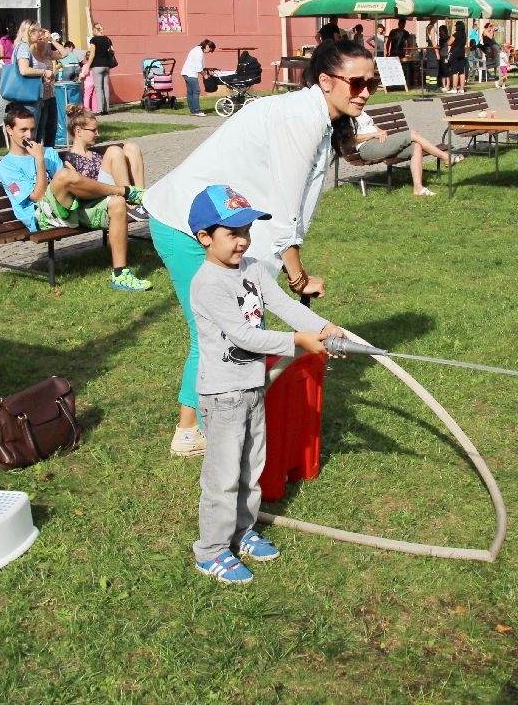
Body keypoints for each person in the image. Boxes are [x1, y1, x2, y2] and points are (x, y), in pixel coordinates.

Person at [143, 39, 373, 456]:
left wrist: (299, 292)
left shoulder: (319, 116)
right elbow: (285, 211)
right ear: (325, 81)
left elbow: (294, 209)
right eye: (356, 83)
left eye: (370, 84)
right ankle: (190, 429)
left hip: (231, 227)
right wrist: (298, 274)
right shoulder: (300, 119)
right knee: (216, 329)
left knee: (250, 321)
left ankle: (239, 417)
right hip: (187, 223)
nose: (365, 92)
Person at [186, 184, 343, 585]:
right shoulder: (207, 283)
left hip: (253, 386)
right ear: (205, 237)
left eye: (247, 231)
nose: (242, 241)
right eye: (232, 233)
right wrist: (297, 341)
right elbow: (244, 336)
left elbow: (285, 305)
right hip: (223, 394)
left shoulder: (252, 268)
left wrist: (322, 327)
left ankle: (241, 530)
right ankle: (212, 550)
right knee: (223, 476)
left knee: (252, 465)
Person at [0, 106, 152, 291]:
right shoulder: (7, 166)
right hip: (42, 217)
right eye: (23, 130)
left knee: (117, 204)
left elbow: (72, 183)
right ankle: (124, 191)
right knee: (63, 175)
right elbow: (37, 197)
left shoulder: (49, 152)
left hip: (68, 206)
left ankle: (120, 275)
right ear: (9, 130)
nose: (29, 135)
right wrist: (39, 161)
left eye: (32, 129)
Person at [341, 109, 464, 197]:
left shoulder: (361, 111)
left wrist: (381, 131)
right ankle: (445, 157)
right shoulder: (346, 114)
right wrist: (375, 134)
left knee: (416, 146)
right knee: (413, 134)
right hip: (367, 147)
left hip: (379, 143)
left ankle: (418, 188)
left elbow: (372, 126)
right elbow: (352, 139)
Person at [61, 105, 145, 188]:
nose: (98, 134)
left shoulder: (95, 153)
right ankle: (129, 195)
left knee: (131, 147)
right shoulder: (69, 160)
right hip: (97, 193)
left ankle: (142, 196)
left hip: (110, 185)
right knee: (114, 151)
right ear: (78, 131)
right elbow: (76, 187)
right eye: (93, 130)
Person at [31, 29, 69, 147]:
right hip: (38, 95)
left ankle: (50, 152)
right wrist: (43, 74)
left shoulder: (47, 54)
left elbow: (64, 53)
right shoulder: (31, 54)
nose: (43, 42)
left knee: (51, 127)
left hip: (50, 94)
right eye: (40, 39)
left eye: (45, 39)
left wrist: (52, 39)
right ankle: (36, 154)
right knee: (39, 127)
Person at [182, 39, 216, 117]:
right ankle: (197, 111)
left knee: (190, 92)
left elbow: (202, 65)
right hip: (190, 74)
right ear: (207, 46)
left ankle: (193, 111)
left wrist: (208, 70)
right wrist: (205, 75)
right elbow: (199, 68)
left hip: (186, 73)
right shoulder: (198, 52)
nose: (210, 52)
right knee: (196, 91)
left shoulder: (198, 50)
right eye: (210, 50)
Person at [86, 22, 114, 114]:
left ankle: (100, 109)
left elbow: (92, 54)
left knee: (98, 88)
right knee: (106, 87)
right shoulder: (107, 39)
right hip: (106, 65)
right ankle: (106, 109)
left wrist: (88, 66)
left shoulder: (94, 40)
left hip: (97, 66)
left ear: (95, 29)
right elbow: (113, 50)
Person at [448, 20, 468, 93]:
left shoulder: (455, 35)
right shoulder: (464, 35)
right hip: (462, 53)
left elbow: (449, 42)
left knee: (455, 72)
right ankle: (462, 88)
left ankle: (454, 88)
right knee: (462, 72)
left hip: (455, 54)